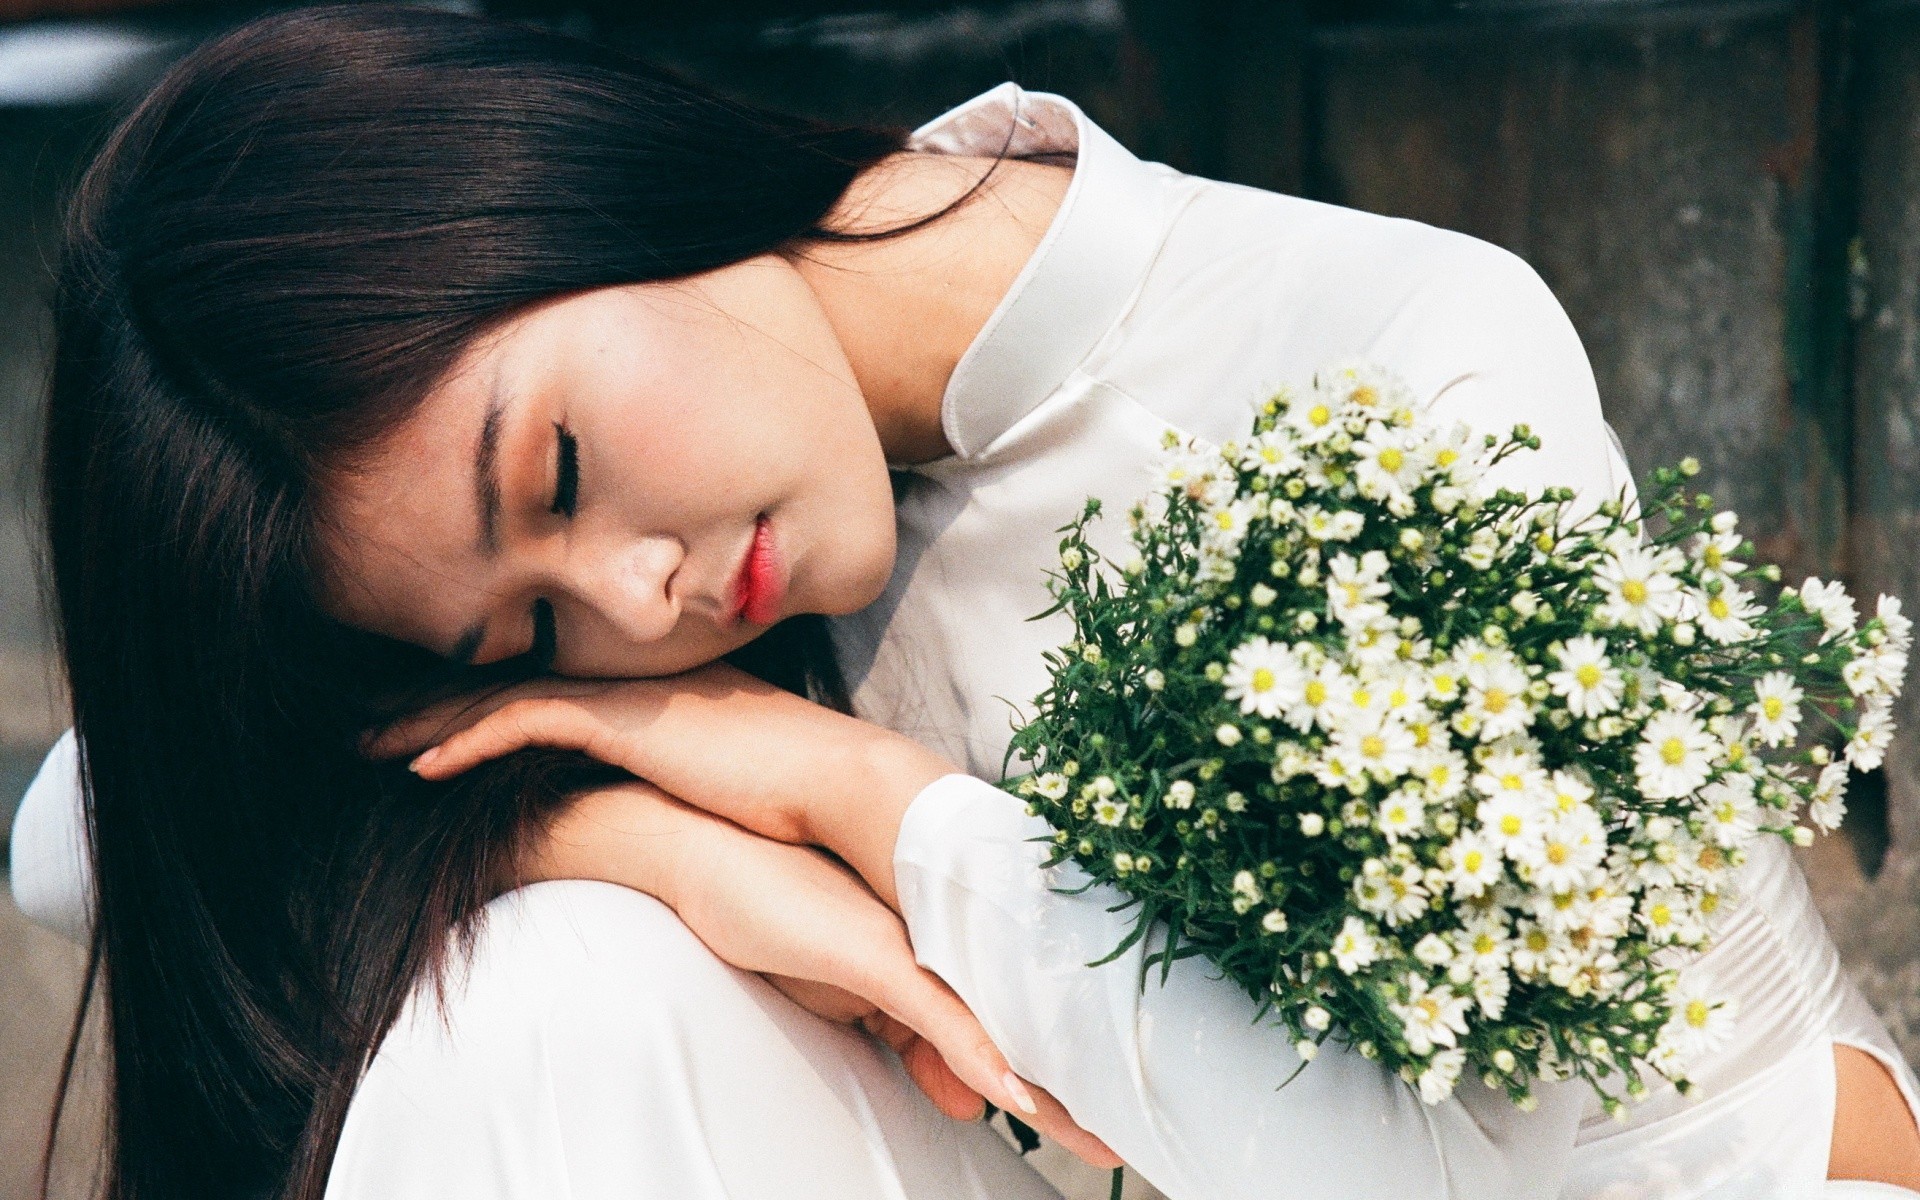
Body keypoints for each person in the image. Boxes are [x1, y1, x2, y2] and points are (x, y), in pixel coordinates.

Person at [11, 6, 1920, 1198]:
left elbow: (1416, 1172)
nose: (636, 603)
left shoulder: (1389, 349)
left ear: (570, 186)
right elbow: (84, 831)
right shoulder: (714, 557)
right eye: (520, 642)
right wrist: (602, 824)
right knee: (543, 988)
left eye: (560, 477)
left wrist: (834, 793)